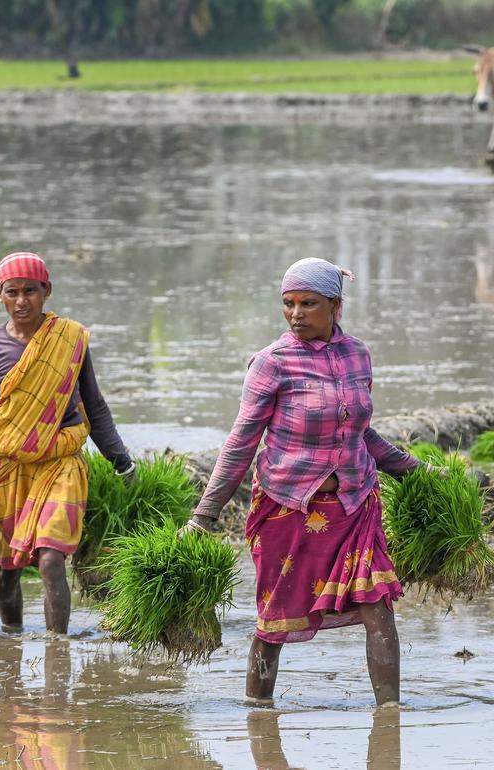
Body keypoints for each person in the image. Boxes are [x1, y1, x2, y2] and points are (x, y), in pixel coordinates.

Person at [179, 257, 429, 707]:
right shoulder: (272, 363)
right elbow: (241, 442)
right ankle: (258, 712)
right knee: (275, 621)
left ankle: (389, 717)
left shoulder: (358, 355)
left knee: (378, 609)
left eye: (308, 303)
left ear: (336, 306)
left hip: (354, 505)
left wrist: (417, 470)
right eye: (288, 304)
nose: (296, 314)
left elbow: (360, 433)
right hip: (288, 509)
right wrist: (204, 515)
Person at [0, 252, 135, 635]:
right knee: (8, 570)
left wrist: (121, 459)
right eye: (13, 292)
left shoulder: (69, 339)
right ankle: (13, 644)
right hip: (10, 468)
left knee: (51, 558)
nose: (22, 301)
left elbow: (95, 405)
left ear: (47, 291)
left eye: (31, 292)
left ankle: (58, 650)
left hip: (61, 461)